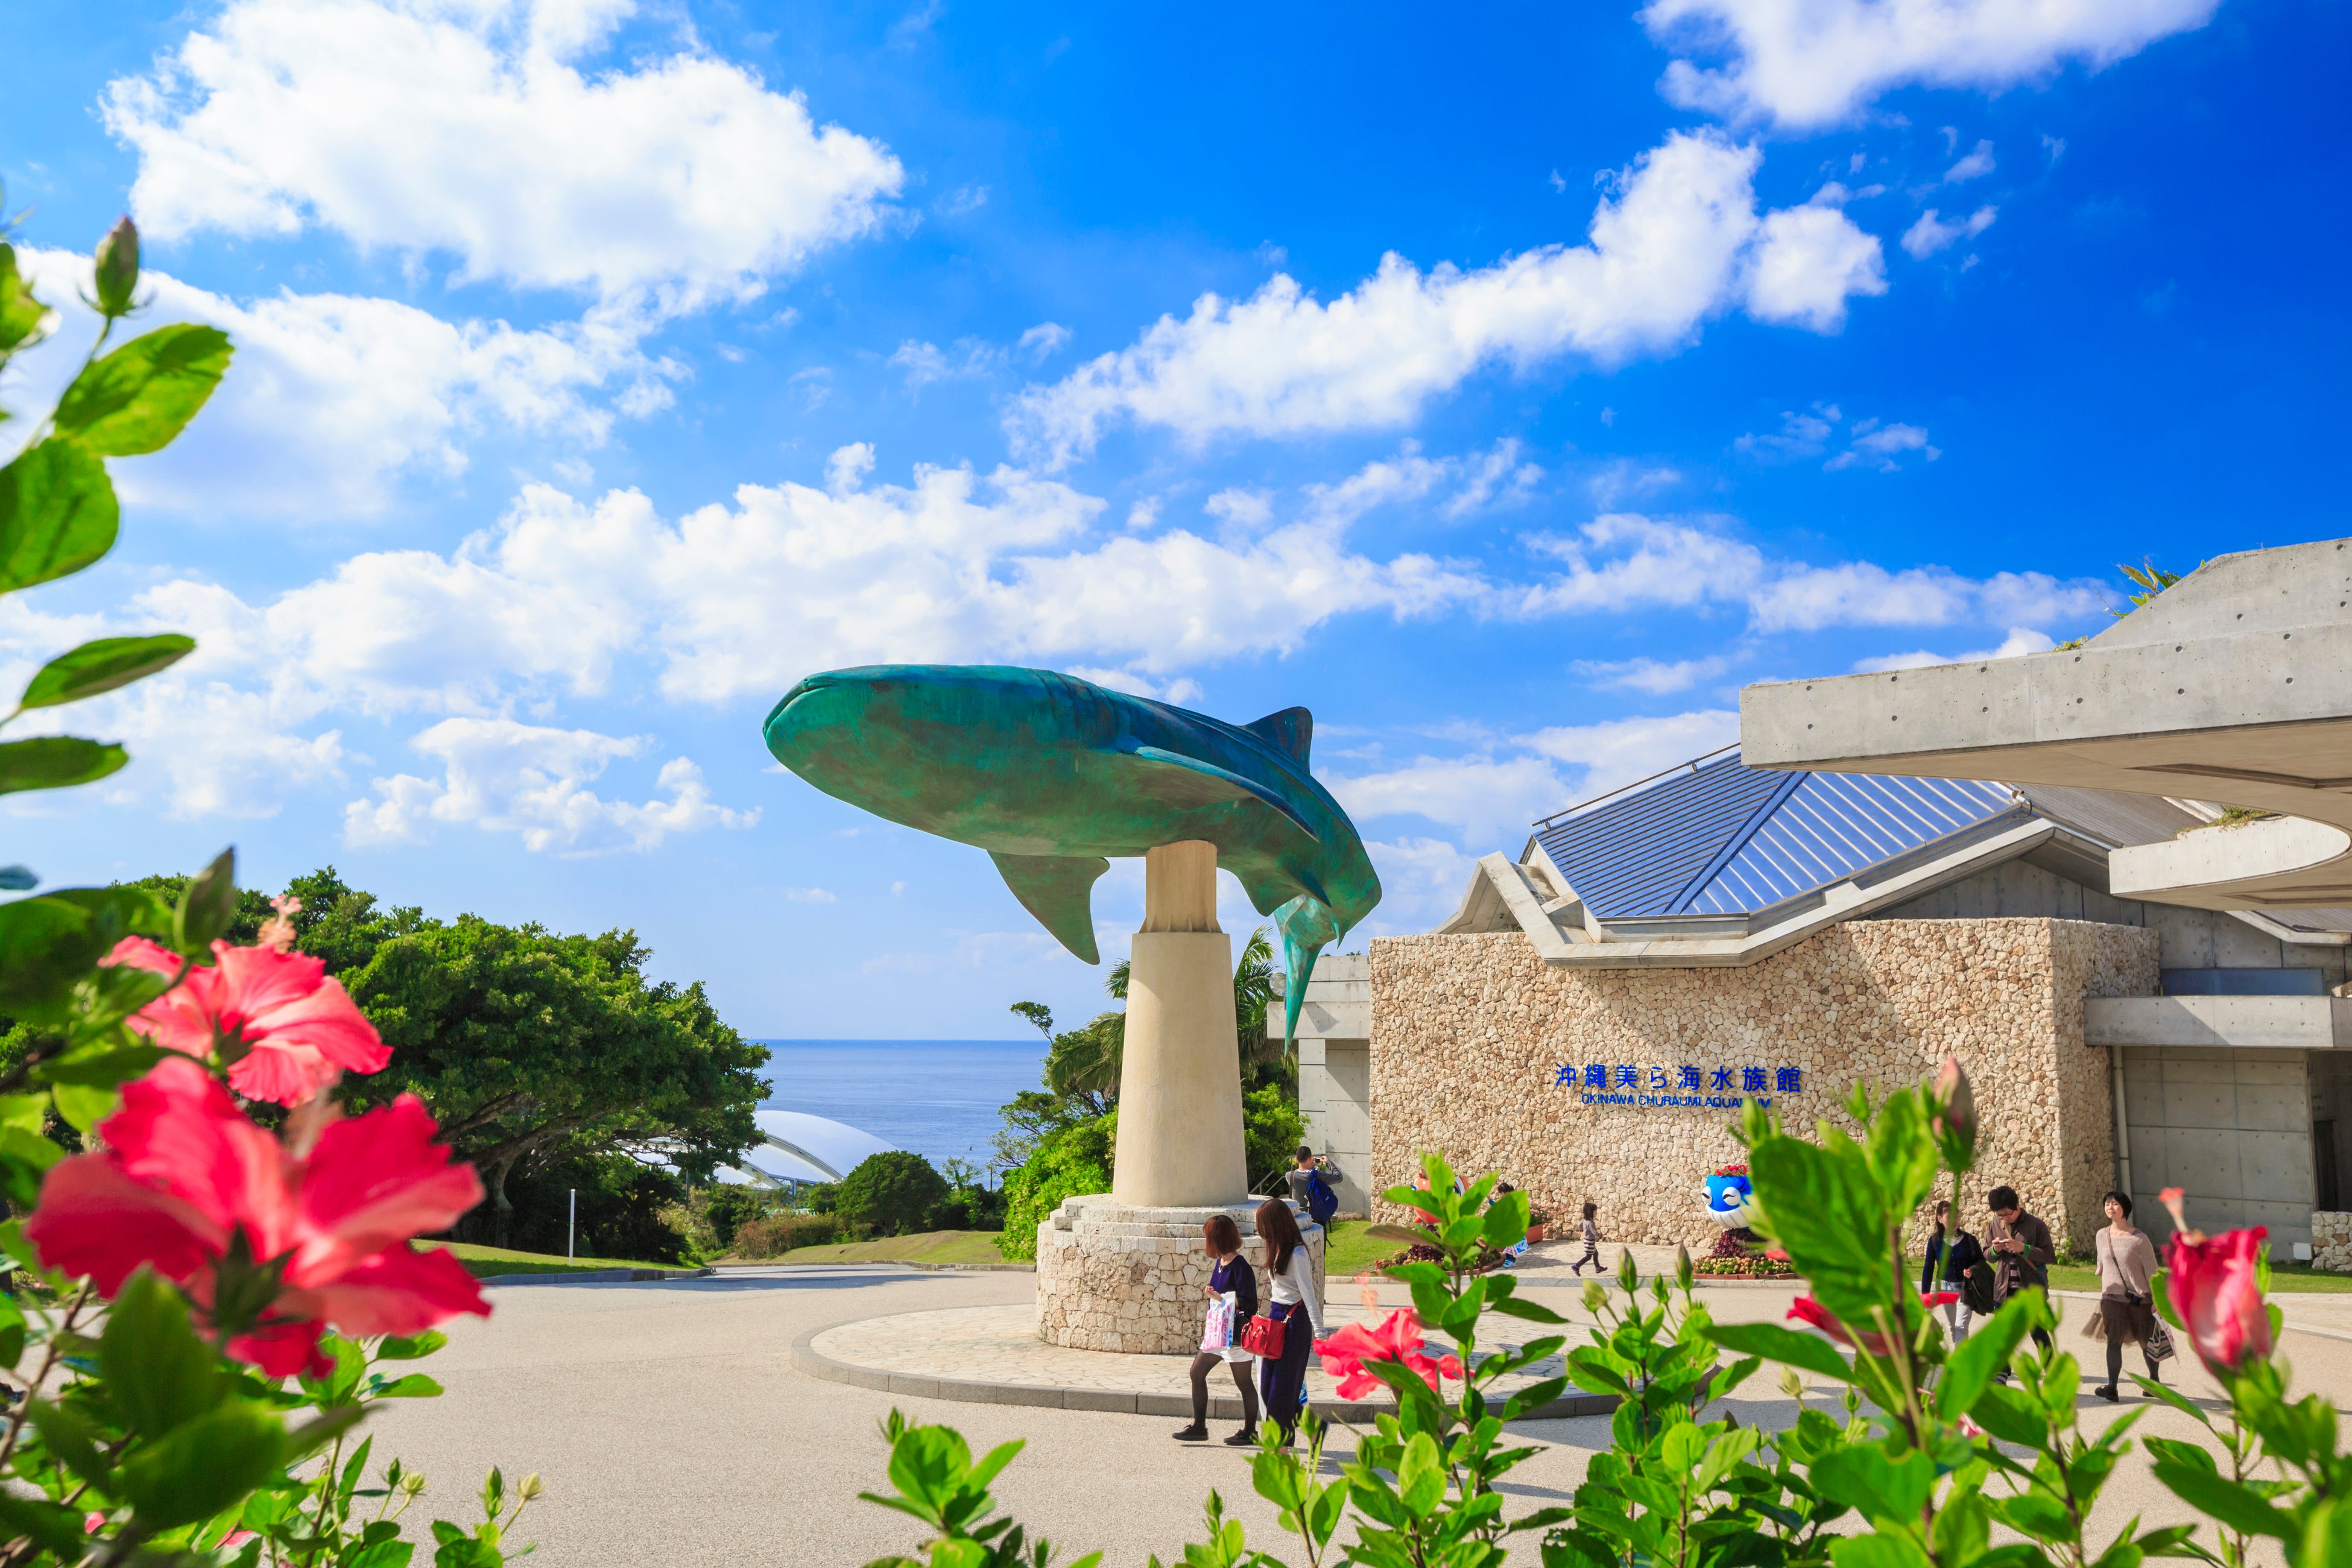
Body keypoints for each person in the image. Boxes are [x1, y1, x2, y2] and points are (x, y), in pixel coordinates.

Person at [1174, 1213, 1260, 1444]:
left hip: (1235, 1335)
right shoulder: (1220, 1263)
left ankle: (1250, 1431)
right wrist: (1214, 1295)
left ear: (1216, 1239)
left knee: (1244, 1383)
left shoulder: (1240, 1266)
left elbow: (1250, 1303)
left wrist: (1220, 1297)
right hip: (1218, 1332)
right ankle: (1199, 1427)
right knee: (1197, 1373)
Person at [1254, 1197, 1323, 1447]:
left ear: (1275, 1225)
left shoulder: (1297, 1254)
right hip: (1276, 1318)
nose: (1260, 1231)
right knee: (1268, 1389)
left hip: (1295, 1322)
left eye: (1263, 1226)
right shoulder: (1277, 1247)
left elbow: (1309, 1295)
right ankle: (1315, 1428)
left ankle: (1280, 1450)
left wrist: (1321, 1333)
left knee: (1280, 1393)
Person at [2091, 1189, 2163, 1401]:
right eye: (2107, 1204)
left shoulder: (2139, 1239)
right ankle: (2112, 1387)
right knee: (2114, 1341)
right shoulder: (2101, 1235)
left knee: (2146, 1341)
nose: (2110, 1207)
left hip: (2139, 1299)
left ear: (2125, 1209)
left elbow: (2153, 1271)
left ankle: (2154, 1382)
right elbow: (2101, 1266)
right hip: (2111, 1297)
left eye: (2115, 1204)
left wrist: (2157, 1300)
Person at [1987, 1184, 2054, 1380]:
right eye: (2000, 1215)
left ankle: (2052, 1372)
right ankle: (2002, 1371)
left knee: (2039, 1334)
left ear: (2018, 1205)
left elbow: (2050, 1256)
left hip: (2031, 1290)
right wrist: (1995, 1250)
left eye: (2007, 1214)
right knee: (2003, 1335)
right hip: (2004, 1289)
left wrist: (2024, 1248)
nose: (2004, 1218)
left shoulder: (2036, 1225)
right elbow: (1987, 1255)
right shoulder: (1995, 1225)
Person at [1923, 1200, 1985, 1344]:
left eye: (1956, 1216)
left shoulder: (1970, 1240)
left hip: (1966, 1289)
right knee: (1952, 1327)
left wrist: (1972, 1271)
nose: (1954, 1220)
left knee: (1961, 1326)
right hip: (1945, 1291)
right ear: (1940, 1219)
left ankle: (1961, 1358)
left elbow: (1981, 1262)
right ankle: (1960, 1353)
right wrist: (1925, 1297)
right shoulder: (1935, 1241)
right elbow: (1928, 1269)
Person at [1569, 1201, 1603, 1276]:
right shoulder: (1591, 1223)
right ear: (1590, 1212)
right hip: (1590, 1241)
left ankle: (1598, 1268)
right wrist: (1603, 1238)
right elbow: (1595, 1233)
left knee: (1595, 1253)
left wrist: (1582, 1230)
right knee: (1588, 1256)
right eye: (1595, 1211)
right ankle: (1576, 1266)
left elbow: (1579, 1225)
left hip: (1586, 1240)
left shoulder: (1584, 1220)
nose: (1596, 1213)